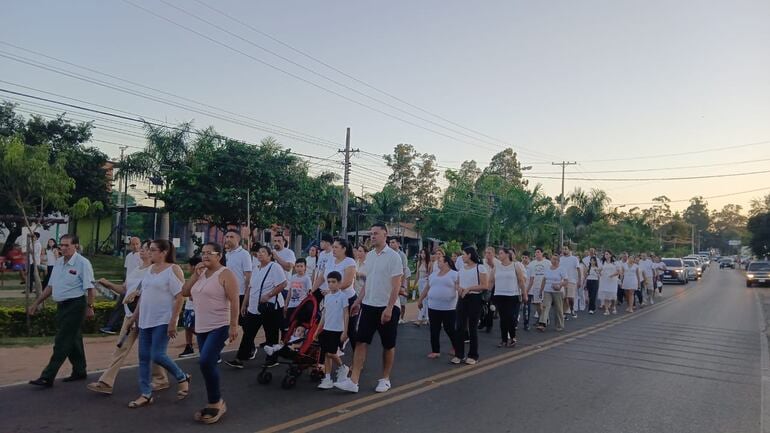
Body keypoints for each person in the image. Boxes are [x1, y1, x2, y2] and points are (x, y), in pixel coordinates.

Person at [87, 240, 169, 395]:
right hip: (130, 314)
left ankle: (165, 378)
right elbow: (124, 289)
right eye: (144, 249)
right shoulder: (137, 269)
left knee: (153, 351)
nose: (144, 251)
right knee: (121, 347)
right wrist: (108, 284)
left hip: (146, 316)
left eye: (148, 249)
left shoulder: (154, 271)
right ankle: (106, 381)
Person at [334, 223, 402, 394]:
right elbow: (368, 282)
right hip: (369, 305)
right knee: (361, 341)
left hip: (388, 307)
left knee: (388, 345)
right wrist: (358, 300)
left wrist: (389, 308)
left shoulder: (394, 257)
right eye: (371, 234)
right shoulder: (370, 256)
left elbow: (396, 286)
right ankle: (353, 380)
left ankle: (385, 379)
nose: (372, 236)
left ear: (385, 235)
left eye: (376, 233)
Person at [129, 239, 191, 408]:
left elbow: (180, 296)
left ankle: (181, 376)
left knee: (157, 355)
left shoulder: (173, 269)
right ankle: (145, 393)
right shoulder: (149, 270)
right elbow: (144, 295)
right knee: (143, 358)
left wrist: (174, 321)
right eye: (149, 249)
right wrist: (134, 317)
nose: (149, 252)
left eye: (153, 250)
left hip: (162, 320)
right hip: (145, 320)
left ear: (164, 252)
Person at [182, 242, 239, 425]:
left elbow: (234, 300)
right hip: (202, 327)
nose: (205, 256)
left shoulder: (225, 274)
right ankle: (213, 400)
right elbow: (184, 291)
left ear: (219, 255)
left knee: (206, 361)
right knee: (207, 364)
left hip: (219, 325)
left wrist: (233, 325)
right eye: (203, 253)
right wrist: (194, 275)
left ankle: (216, 402)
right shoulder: (201, 274)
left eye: (209, 253)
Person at [28, 234, 95, 388]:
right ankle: (79, 370)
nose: (63, 248)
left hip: (76, 306)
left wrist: (90, 307)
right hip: (62, 306)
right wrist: (36, 303)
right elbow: (50, 287)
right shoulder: (58, 263)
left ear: (76, 246)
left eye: (67, 245)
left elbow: (90, 288)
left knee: (62, 340)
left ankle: (47, 376)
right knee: (74, 339)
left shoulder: (82, 263)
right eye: (61, 245)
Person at [226, 245, 287, 369]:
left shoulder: (274, 267)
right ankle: (240, 358)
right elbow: (250, 288)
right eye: (259, 252)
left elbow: (283, 284)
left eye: (263, 252)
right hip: (254, 308)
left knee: (271, 333)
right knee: (248, 332)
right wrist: (244, 304)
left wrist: (269, 295)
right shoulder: (256, 268)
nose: (260, 254)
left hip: (270, 307)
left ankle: (272, 358)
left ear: (270, 256)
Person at [417, 254, 459, 359]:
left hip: (449, 308)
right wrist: (420, 299)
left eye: (440, 261)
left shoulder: (455, 274)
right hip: (433, 306)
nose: (437, 262)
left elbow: (459, 287)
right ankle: (435, 351)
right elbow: (427, 288)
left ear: (446, 263)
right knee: (434, 329)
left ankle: (457, 347)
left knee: (449, 328)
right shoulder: (433, 275)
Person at [452, 246, 488, 365]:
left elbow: (484, 285)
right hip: (462, 298)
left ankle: (473, 355)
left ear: (470, 255)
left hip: (474, 298)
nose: (462, 256)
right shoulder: (462, 268)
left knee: (472, 327)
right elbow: (457, 282)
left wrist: (469, 288)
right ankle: (459, 354)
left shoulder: (480, 267)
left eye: (464, 254)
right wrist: (459, 288)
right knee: (459, 327)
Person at [321, 238, 358, 352]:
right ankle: (331, 357)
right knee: (331, 327)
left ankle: (356, 359)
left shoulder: (349, 262)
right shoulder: (330, 260)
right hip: (332, 299)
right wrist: (312, 290)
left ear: (344, 249)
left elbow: (347, 282)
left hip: (347, 299)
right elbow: (321, 276)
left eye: (336, 247)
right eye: (333, 247)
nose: (333, 249)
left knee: (351, 330)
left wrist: (331, 291)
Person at [101, 237, 143, 335]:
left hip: (135, 287)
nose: (135, 246)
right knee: (122, 306)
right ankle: (113, 326)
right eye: (133, 244)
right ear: (130, 245)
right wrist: (125, 282)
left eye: (137, 244)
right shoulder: (129, 256)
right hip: (128, 285)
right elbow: (127, 270)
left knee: (123, 306)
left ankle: (112, 326)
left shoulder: (141, 256)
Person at [315, 271, 350, 389]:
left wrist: (345, 331)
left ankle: (342, 367)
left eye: (333, 282)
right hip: (326, 329)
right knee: (326, 354)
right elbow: (324, 315)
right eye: (329, 282)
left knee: (331, 353)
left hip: (337, 330)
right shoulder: (327, 297)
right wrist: (318, 330)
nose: (330, 284)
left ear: (339, 283)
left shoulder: (343, 297)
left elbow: (346, 314)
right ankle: (327, 378)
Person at [490, 248, 527, 347]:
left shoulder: (515, 266)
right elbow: (491, 281)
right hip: (499, 295)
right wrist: (488, 293)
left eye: (501, 253)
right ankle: (504, 339)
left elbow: (521, 281)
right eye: (499, 253)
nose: (499, 255)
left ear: (507, 254)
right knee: (503, 318)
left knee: (511, 317)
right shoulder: (496, 267)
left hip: (512, 295)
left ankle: (513, 337)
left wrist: (524, 294)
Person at [224, 230, 253, 354]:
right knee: (226, 321)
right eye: (227, 236)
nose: (228, 239)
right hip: (227, 294)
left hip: (240, 294)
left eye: (231, 237)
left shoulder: (244, 254)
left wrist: (247, 296)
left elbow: (248, 275)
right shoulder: (227, 255)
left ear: (238, 239)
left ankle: (250, 347)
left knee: (244, 323)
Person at [537, 254, 567, 332]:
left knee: (558, 308)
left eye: (556, 260)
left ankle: (559, 325)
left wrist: (559, 285)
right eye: (553, 259)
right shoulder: (547, 268)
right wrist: (541, 290)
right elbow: (544, 279)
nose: (555, 261)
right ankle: (542, 323)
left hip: (557, 291)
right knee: (545, 307)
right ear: (551, 259)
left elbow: (566, 281)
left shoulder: (562, 269)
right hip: (547, 290)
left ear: (559, 261)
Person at [179, 256, 201, 358]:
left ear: (193, 266)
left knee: (193, 327)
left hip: (195, 308)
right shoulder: (192, 277)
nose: (188, 268)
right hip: (188, 306)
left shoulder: (200, 277)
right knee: (187, 327)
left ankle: (205, 341)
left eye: (189, 266)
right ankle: (189, 346)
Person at [388, 237, 411, 324]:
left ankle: (400, 317)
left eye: (393, 242)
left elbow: (404, 270)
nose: (391, 244)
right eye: (390, 242)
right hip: (390, 281)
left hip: (400, 280)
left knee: (401, 301)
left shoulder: (402, 255)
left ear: (398, 244)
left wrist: (401, 285)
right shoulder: (388, 254)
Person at [525, 248, 548, 330]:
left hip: (545, 286)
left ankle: (543, 320)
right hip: (535, 286)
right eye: (535, 252)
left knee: (544, 304)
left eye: (538, 252)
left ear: (542, 253)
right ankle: (541, 318)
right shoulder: (532, 263)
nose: (536, 253)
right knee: (537, 304)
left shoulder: (547, 262)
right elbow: (526, 270)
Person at [285, 258, 312, 325]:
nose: (299, 268)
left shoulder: (307, 278)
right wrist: (286, 304)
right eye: (297, 266)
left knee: (298, 324)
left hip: (301, 306)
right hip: (291, 305)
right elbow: (290, 292)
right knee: (288, 324)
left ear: (305, 267)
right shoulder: (293, 277)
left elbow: (310, 293)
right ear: (295, 267)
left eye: (301, 266)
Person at [559, 246, 582, 319]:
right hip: (562, 281)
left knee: (570, 297)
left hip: (572, 280)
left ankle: (572, 310)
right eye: (563, 249)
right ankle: (563, 313)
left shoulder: (574, 259)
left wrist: (579, 280)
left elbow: (578, 270)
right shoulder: (561, 259)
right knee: (563, 298)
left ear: (569, 250)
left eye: (565, 249)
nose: (564, 250)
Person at [598, 251, 621, 315]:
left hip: (612, 281)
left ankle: (613, 307)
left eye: (607, 254)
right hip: (604, 281)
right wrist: (598, 271)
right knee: (606, 295)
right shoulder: (603, 263)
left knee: (613, 295)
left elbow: (618, 271)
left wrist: (612, 275)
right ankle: (606, 310)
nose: (606, 255)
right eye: (605, 254)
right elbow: (600, 271)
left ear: (610, 255)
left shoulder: (615, 263)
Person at [413, 246, 431, 326]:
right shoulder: (419, 263)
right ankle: (424, 317)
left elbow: (430, 274)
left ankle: (423, 318)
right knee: (422, 299)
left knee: (425, 300)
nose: (422, 255)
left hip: (426, 282)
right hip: (420, 281)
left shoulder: (429, 263)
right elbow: (417, 274)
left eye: (424, 253)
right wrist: (414, 284)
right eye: (421, 253)